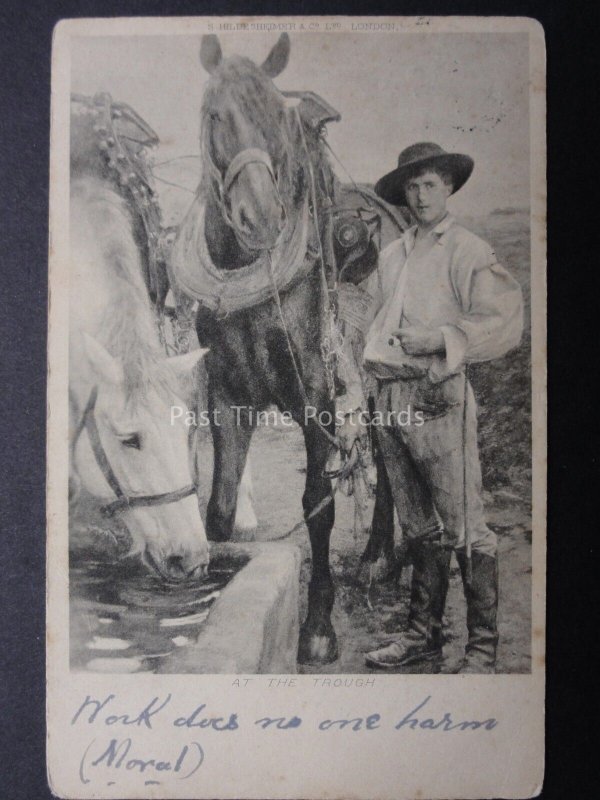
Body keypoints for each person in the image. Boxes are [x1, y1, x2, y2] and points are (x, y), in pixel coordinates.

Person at [338, 142, 523, 673]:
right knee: (419, 527)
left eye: (430, 185)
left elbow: (505, 322)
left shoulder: (466, 250)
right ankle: (424, 636)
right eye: (412, 187)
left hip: (438, 398)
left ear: (448, 188)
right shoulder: (393, 255)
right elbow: (368, 322)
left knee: (467, 526)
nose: (420, 196)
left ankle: (482, 650)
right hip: (390, 399)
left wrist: (441, 338)